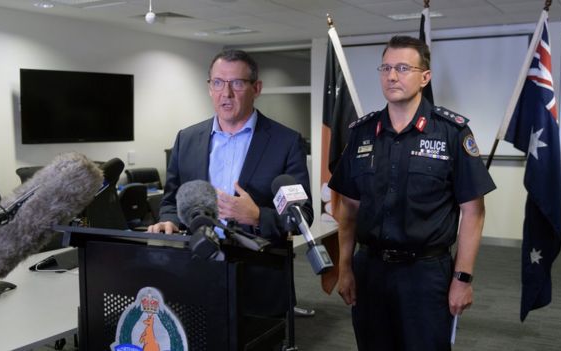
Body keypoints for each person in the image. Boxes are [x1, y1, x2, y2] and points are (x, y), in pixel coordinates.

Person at [328, 36, 496, 350]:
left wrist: (462, 279)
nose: (392, 76)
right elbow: (348, 210)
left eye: (403, 68)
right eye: (386, 68)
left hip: (425, 274)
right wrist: (346, 268)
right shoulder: (362, 134)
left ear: (425, 77)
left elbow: (474, 212)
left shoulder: (451, 132)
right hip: (371, 270)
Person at [147, 49, 313, 317]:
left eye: (237, 83)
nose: (226, 93)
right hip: (197, 271)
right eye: (218, 83)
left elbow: (302, 216)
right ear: (209, 87)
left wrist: (257, 215)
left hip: (259, 278)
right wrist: (170, 221)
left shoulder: (286, 142)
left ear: (256, 88)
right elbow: (171, 200)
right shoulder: (187, 139)